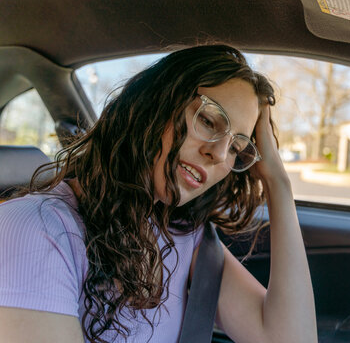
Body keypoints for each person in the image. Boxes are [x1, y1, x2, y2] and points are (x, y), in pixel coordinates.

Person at [0, 45, 317, 342]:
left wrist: (278, 182)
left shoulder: (185, 236)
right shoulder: (34, 229)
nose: (220, 154)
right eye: (207, 120)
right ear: (152, 104)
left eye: (236, 147)